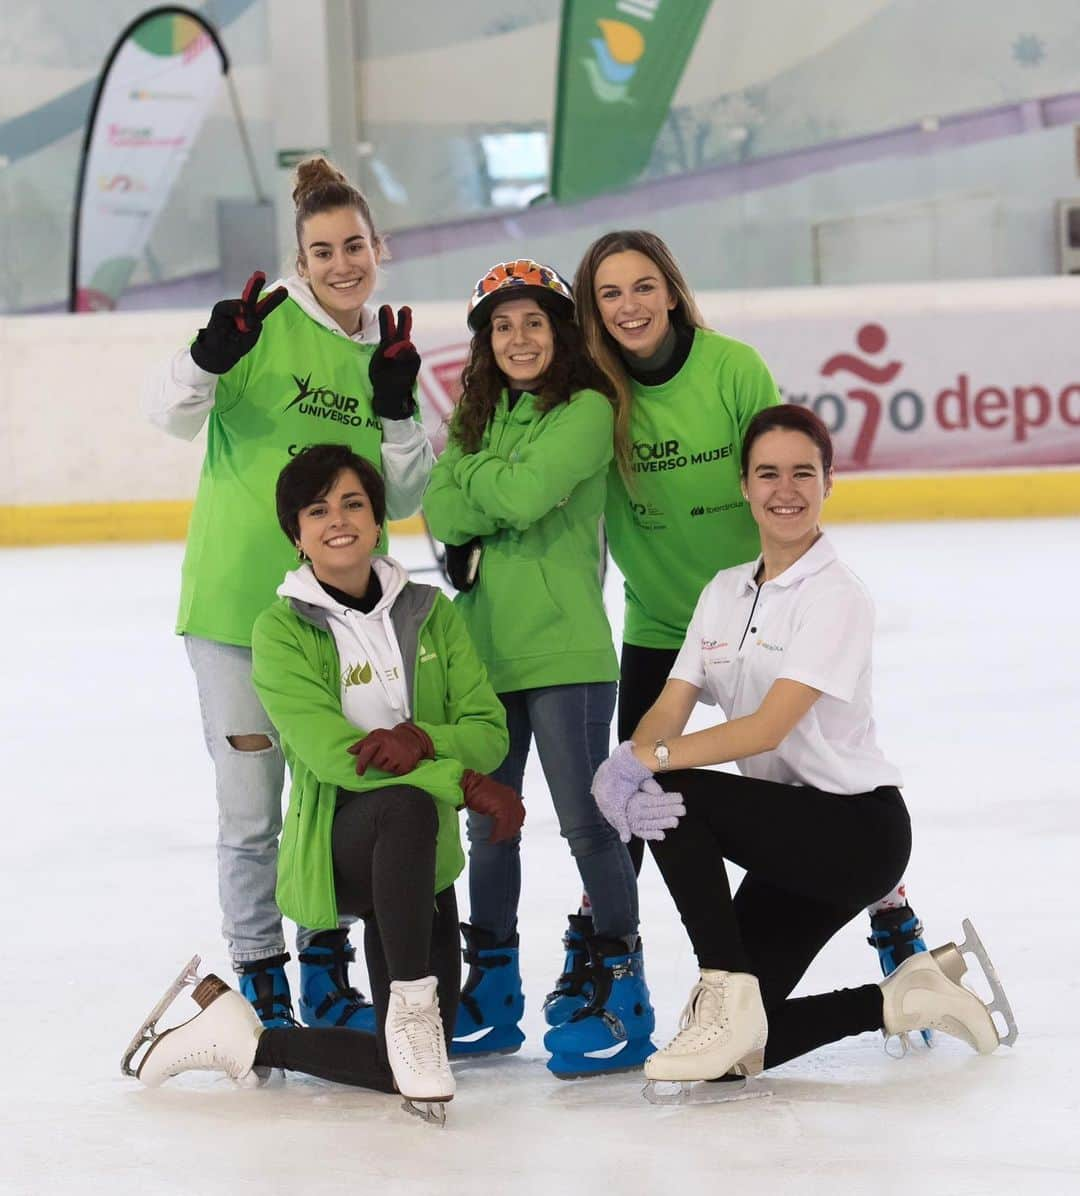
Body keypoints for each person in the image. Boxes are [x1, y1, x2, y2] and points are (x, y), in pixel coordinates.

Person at [566, 229, 929, 1027]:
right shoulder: (595, 393)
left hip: (753, 608)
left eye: (643, 286)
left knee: (807, 758)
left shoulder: (730, 369)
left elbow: (778, 465)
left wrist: (655, 754)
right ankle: (606, 953)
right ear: (593, 310)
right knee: (634, 800)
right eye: (609, 293)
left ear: (671, 290)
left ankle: (889, 907)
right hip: (668, 618)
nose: (629, 306)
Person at [590, 405, 1013, 1088]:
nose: (784, 490)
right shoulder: (723, 594)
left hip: (856, 830)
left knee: (674, 789)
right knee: (734, 1063)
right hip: (785, 838)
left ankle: (723, 990)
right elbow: (667, 711)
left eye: (802, 473)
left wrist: (648, 766)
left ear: (828, 482)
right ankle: (903, 998)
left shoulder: (837, 595)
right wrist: (630, 764)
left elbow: (765, 729)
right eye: (767, 474)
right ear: (744, 485)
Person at [129, 445, 515, 1120]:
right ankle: (413, 1004)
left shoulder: (430, 610)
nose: (338, 520)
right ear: (297, 534)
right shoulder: (279, 630)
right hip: (341, 849)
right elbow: (338, 758)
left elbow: (489, 728)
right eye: (318, 510)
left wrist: (421, 740)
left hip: (423, 862)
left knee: (414, 1068)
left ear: (377, 517)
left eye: (353, 503)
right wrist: (459, 779)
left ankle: (247, 1039)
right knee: (402, 802)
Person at [143, 156, 433, 1032]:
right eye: (322, 250)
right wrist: (207, 357)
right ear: (300, 261)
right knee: (250, 805)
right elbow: (169, 415)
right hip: (236, 613)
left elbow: (409, 497)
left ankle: (324, 964)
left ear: (378, 248)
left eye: (355, 245)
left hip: (337, 622)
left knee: (325, 794)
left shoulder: (385, 354)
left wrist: (394, 405)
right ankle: (260, 965)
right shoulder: (261, 327)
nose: (342, 263)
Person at [422, 260, 654, 1076]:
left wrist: (479, 483)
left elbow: (509, 502)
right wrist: (491, 484)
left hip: (566, 653)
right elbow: (439, 509)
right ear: (486, 341)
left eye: (534, 322)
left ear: (559, 331)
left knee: (589, 824)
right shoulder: (477, 417)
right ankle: (492, 990)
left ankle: (622, 985)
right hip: (485, 654)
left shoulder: (588, 410)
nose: (518, 338)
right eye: (501, 325)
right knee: (491, 826)